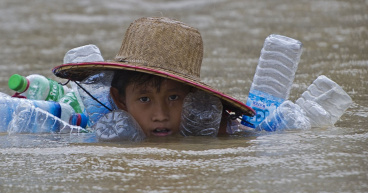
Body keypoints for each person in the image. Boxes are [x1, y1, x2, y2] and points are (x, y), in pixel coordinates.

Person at [52, 17, 255, 137]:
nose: (161, 115)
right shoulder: (102, 132)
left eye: (174, 97)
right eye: (144, 99)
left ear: (194, 98)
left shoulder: (212, 130)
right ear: (120, 99)